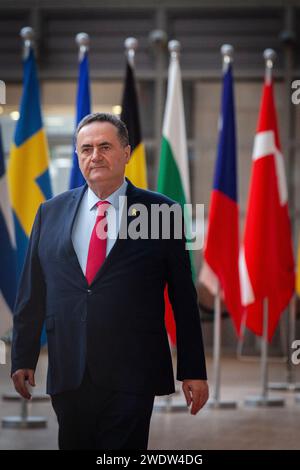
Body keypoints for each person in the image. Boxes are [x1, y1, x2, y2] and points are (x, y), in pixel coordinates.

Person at [11, 113, 208, 450]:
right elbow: (33, 292)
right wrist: (23, 357)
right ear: (77, 156)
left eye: (105, 146)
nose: (95, 156)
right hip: (70, 371)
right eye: (85, 149)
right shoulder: (50, 213)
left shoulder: (162, 212)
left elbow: (183, 298)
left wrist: (193, 369)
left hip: (134, 371)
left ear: (127, 153)